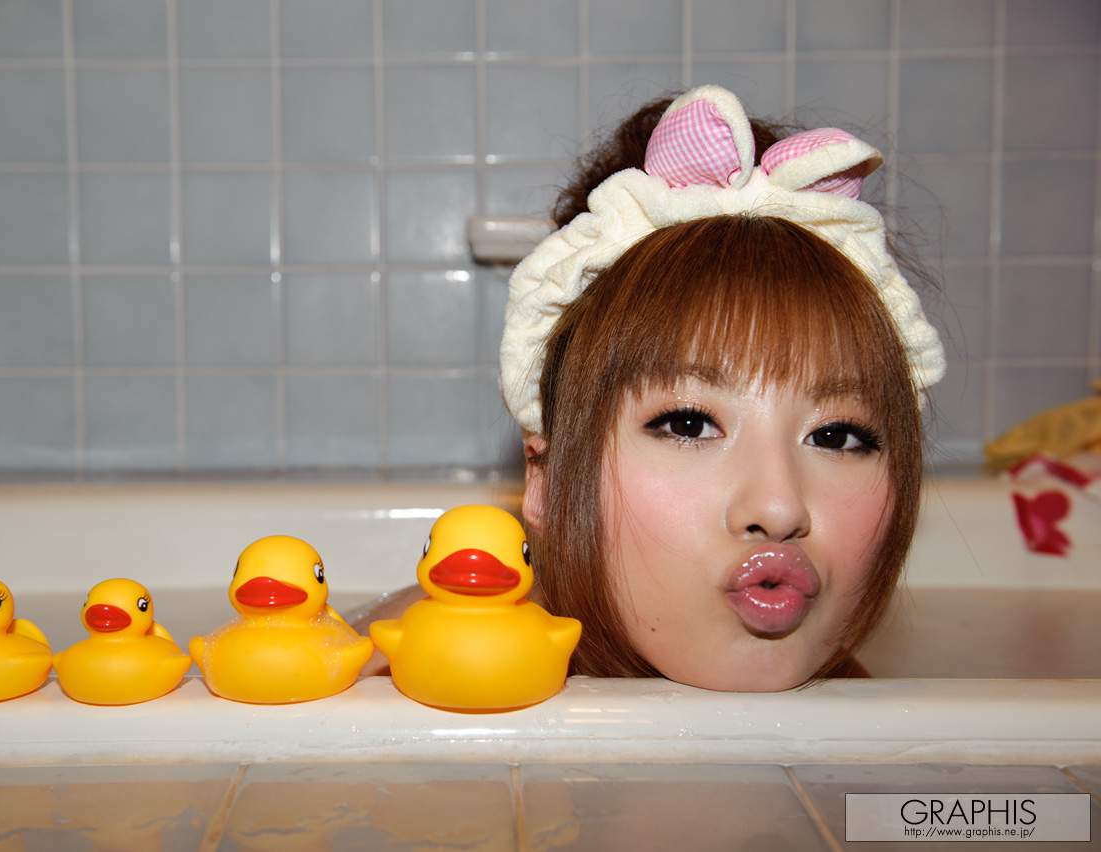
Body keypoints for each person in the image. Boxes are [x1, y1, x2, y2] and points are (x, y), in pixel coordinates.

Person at [352, 85, 945, 692]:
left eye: (836, 436)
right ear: (546, 480)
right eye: (689, 424)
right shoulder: (402, 662)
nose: (778, 508)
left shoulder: (873, 714)